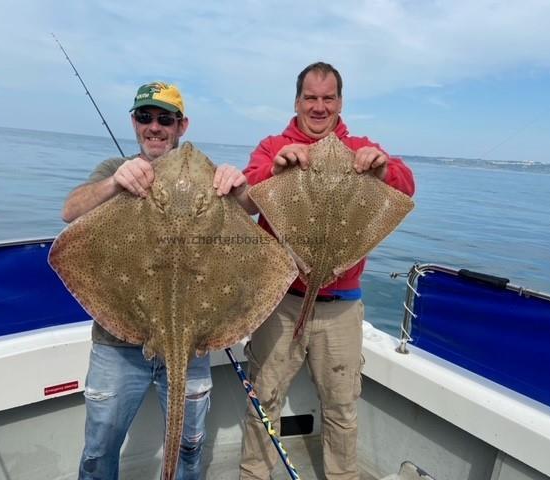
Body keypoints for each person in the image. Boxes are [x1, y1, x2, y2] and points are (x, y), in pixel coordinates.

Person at [62, 81, 251, 480]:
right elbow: (70, 212)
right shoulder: (116, 170)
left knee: (189, 448)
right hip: (117, 343)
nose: (154, 127)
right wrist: (116, 184)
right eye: (145, 117)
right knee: (98, 452)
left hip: (191, 342)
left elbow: (253, 220)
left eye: (165, 119)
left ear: (182, 126)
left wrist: (240, 186)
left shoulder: (210, 179)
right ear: (133, 121)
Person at [238, 62, 416, 479]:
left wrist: (383, 166)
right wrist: (276, 170)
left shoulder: (360, 147)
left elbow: (406, 186)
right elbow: (244, 197)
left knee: (341, 407)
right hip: (280, 302)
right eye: (311, 98)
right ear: (297, 100)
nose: (319, 106)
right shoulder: (273, 145)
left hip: (340, 306)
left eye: (328, 98)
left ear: (340, 102)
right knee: (263, 401)